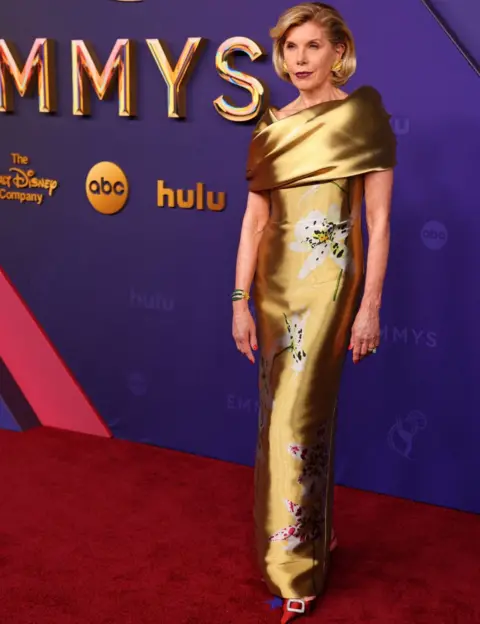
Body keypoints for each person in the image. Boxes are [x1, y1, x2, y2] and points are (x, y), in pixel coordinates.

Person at [231, 3, 396, 622]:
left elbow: (377, 224)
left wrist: (369, 306)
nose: (299, 60)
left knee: (294, 423)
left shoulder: (362, 117)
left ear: (337, 51)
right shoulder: (271, 126)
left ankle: (294, 572)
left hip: (328, 285)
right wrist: (240, 300)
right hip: (273, 291)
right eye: (290, 49)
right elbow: (254, 222)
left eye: (311, 47)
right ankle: (317, 537)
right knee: (285, 415)